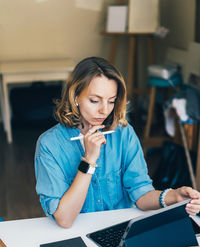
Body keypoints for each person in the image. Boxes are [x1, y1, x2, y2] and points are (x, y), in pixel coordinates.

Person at [35, 57, 200, 228]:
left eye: (111, 101)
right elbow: (64, 219)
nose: (104, 110)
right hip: (75, 232)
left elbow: (141, 194)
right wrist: (88, 162)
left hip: (119, 229)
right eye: (94, 100)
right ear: (75, 96)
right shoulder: (49, 145)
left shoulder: (123, 133)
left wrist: (173, 197)